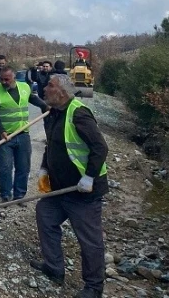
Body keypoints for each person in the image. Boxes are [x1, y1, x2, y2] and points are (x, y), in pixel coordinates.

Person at [31, 73, 109, 298]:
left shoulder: (79, 114)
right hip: (59, 188)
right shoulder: (53, 113)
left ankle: (94, 287)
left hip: (83, 191)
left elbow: (100, 148)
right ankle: (54, 268)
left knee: (89, 240)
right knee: (45, 215)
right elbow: (52, 146)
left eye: (50, 86)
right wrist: (45, 167)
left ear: (62, 92)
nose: (45, 89)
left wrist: (89, 177)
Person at [0, 66, 48, 201]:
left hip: (23, 134)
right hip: (4, 137)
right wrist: (1, 131)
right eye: (1, 79)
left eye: (6, 79)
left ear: (13, 77)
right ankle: (5, 194)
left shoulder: (24, 87)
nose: (3, 82)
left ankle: (19, 194)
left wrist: (44, 105)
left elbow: (32, 98)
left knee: (23, 166)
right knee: (5, 167)